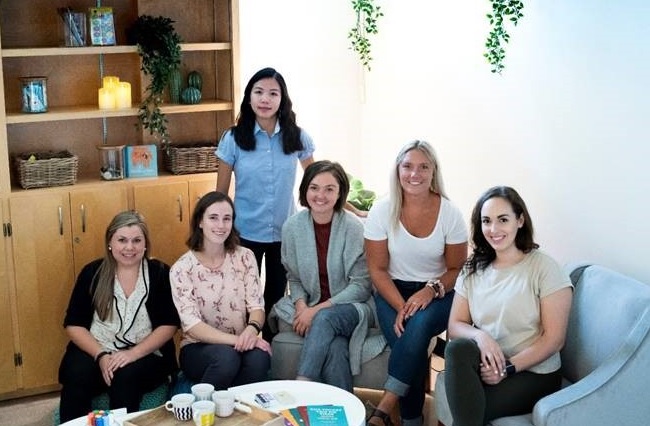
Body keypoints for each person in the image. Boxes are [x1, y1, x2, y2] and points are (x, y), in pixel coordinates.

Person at [443, 186, 573, 426]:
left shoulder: (544, 268)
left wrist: (508, 368)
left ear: (520, 220)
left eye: (503, 220)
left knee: (469, 410)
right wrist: (481, 337)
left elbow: (554, 340)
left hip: (533, 372)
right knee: (457, 349)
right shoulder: (473, 267)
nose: (493, 229)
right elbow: (455, 326)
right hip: (488, 362)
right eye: (486, 221)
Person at [364, 140, 468, 426]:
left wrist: (430, 290)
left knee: (418, 326)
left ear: (434, 171)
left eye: (424, 167)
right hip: (392, 290)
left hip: (440, 291)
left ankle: (383, 410)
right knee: (411, 342)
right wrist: (402, 306)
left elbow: (457, 269)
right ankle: (412, 421)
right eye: (408, 166)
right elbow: (377, 269)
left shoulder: (450, 213)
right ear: (397, 170)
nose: (415, 174)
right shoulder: (382, 210)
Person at [216, 67, 315, 341]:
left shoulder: (297, 137)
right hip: (244, 231)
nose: (265, 99)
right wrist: (216, 232)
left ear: (282, 99)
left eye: (273, 93)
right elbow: (220, 194)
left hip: (284, 232)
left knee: (275, 297)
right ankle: (241, 346)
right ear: (249, 97)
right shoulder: (233, 138)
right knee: (243, 297)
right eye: (258, 92)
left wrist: (348, 206)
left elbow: (317, 180)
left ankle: (270, 351)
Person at [270, 160, 386, 392]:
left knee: (324, 319)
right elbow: (294, 277)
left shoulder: (354, 228)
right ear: (305, 190)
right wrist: (302, 307)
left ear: (340, 192)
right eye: (314, 188)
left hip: (355, 307)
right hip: (315, 308)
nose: (320, 195)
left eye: (329, 189)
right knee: (335, 347)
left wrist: (314, 312)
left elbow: (361, 286)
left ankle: (302, 386)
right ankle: (340, 408)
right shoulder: (292, 227)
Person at [58, 211, 179, 422]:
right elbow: (74, 324)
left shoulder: (159, 273)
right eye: (122, 240)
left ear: (145, 244)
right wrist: (101, 355)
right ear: (110, 242)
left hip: (145, 353)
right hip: (97, 347)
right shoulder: (92, 273)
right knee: (77, 373)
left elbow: (169, 324)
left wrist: (133, 354)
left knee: (125, 376)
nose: (129, 247)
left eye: (137, 240)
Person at [170, 191, 271, 390]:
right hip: (197, 348)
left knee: (260, 359)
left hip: (240, 342)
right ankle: (204, 406)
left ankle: (238, 407)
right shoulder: (181, 269)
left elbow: (257, 307)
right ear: (200, 221)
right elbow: (192, 326)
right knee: (227, 358)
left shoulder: (245, 257)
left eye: (227, 218)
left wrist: (251, 330)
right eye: (213, 218)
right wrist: (238, 341)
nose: (221, 225)